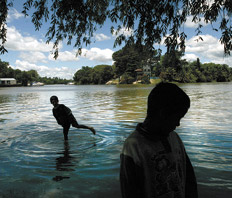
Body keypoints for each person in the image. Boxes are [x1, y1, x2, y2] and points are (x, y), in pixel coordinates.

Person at [120, 82, 198, 198]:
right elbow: (129, 191)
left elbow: (189, 179)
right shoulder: (133, 147)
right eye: (177, 118)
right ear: (163, 114)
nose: (178, 124)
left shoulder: (174, 138)